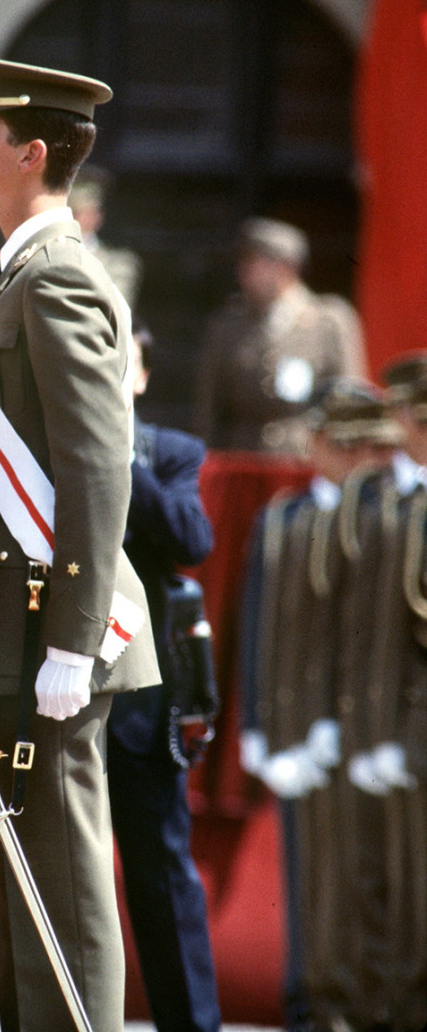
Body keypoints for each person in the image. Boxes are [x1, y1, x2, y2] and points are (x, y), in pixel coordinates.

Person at [0, 55, 159, 1032]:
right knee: (24, 881)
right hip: (16, 615)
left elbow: (96, 463)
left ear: (29, 154)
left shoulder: (57, 275)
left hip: (49, 623)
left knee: (61, 898)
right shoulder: (14, 272)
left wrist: (72, 637)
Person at [239, 379, 403, 1032]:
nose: (354, 454)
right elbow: (256, 628)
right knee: (311, 874)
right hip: (302, 727)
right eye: (343, 442)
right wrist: (258, 727)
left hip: (375, 730)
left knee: (377, 873)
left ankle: (379, 1001)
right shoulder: (283, 520)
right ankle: (312, 1000)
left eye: (366, 443)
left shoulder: (391, 515)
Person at [107, 324, 221, 1032]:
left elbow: (193, 538)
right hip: (59, 692)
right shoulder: (48, 450)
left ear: (142, 376)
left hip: (144, 706)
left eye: (124, 364)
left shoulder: (170, 453)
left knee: (161, 878)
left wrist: (117, 461)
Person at [193, 217, 368, 455]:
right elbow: (209, 410)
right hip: (242, 462)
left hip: (305, 462)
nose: (244, 272)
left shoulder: (328, 322)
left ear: (286, 267)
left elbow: (349, 398)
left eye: (255, 262)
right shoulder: (228, 326)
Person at [68, 167, 143, 309]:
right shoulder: (46, 253)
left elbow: (115, 309)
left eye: (84, 213)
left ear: (98, 216)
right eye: (74, 213)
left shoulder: (118, 263)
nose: (78, 220)